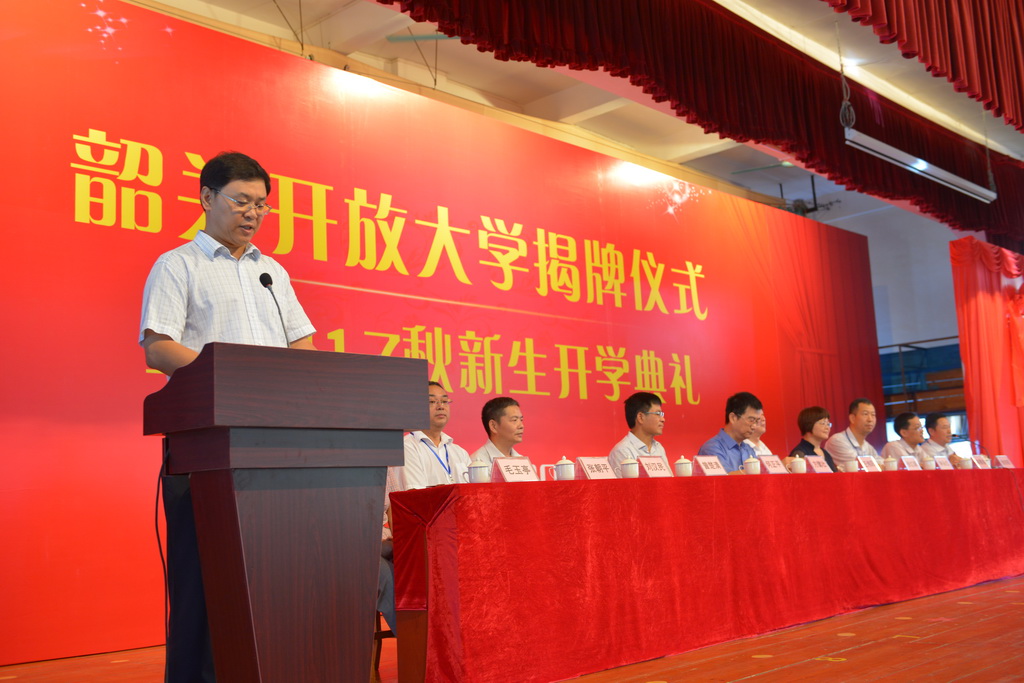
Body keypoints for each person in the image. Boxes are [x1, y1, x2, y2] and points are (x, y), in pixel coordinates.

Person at [139, 152, 316, 683]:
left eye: (261, 204)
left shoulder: (272, 272)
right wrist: (235, 379)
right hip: (208, 449)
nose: (253, 213)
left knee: (274, 578)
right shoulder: (178, 265)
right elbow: (159, 347)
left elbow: (303, 346)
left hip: (276, 445)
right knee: (205, 582)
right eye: (241, 200)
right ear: (206, 197)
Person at [697, 392, 763, 474]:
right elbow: (724, 478)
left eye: (757, 421)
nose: (754, 426)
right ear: (733, 418)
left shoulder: (748, 449)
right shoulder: (711, 449)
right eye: (751, 420)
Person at [608, 392, 671, 476]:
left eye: (662, 414)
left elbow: (669, 480)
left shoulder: (658, 447)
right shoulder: (622, 451)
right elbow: (623, 484)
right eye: (657, 414)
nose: (663, 419)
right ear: (641, 417)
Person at [823, 398, 880, 471]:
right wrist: (879, 466)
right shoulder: (837, 440)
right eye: (865, 414)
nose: (870, 419)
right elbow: (858, 467)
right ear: (852, 418)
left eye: (873, 415)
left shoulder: (868, 447)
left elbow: (884, 465)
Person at [470, 397, 525, 465]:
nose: (521, 426)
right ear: (493, 426)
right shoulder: (477, 463)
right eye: (514, 420)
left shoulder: (522, 461)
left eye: (521, 420)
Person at [787, 406, 837, 471]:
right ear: (809, 424)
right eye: (823, 423)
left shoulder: (825, 453)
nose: (827, 427)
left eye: (828, 424)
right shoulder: (799, 452)